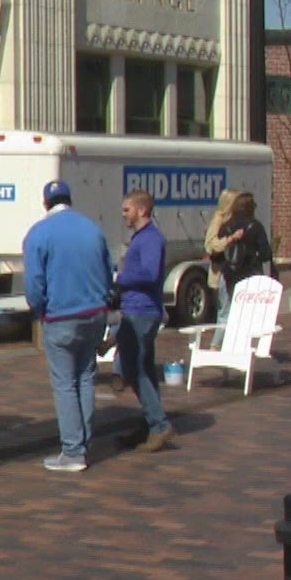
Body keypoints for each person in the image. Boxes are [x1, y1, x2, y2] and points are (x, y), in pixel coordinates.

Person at [24, 179, 115, 473]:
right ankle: (83, 443)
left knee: (64, 384)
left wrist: (39, 310)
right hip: (93, 312)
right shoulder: (92, 229)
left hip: (60, 316)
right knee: (86, 377)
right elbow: (107, 272)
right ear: (70, 199)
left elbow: (34, 285)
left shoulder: (38, 233)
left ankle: (73, 451)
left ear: (45, 203)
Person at [113, 190, 175, 453]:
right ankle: (149, 424)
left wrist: (119, 278)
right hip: (136, 308)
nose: (123, 214)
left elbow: (149, 274)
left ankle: (159, 424)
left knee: (133, 368)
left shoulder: (150, 239)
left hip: (142, 311)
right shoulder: (142, 238)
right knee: (144, 368)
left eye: (127, 209)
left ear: (141, 210)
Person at [218, 191, 273, 294]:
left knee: (232, 307)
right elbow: (266, 253)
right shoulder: (256, 226)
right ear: (250, 207)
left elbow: (218, 254)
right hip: (251, 275)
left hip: (230, 276)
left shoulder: (225, 226)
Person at [203, 188, 242, 324]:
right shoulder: (218, 220)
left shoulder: (234, 220)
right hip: (220, 273)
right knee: (224, 312)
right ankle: (216, 345)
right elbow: (211, 245)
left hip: (232, 272)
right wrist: (230, 239)